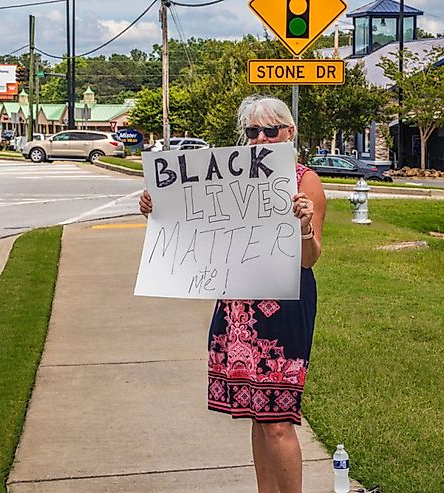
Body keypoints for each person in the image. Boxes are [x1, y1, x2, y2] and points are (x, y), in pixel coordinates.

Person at [139, 95, 326, 493]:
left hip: (283, 304)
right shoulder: (230, 176)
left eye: (270, 131)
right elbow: (195, 220)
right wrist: (159, 207)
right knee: (259, 415)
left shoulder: (304, 180)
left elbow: (310, 260)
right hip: (239, 304)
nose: (260, 139)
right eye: (253, 131)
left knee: (277, 417)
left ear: (289, 133)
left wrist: (305, 226)